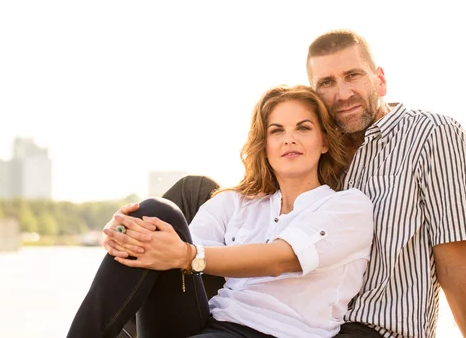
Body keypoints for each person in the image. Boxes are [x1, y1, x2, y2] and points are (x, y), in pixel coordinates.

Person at [66, 85, 374, 338]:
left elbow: (281, 259)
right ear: (264, 145)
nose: (289, 139)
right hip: (212, 323)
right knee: (154, 214)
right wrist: (123, 230)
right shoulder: (239, 203)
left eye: (303, 128)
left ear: (323, 142)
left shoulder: (346, 205)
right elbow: (170, 248)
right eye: (276, 131)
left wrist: (187, 255)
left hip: (279, 333)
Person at [305, 30, 466, 338]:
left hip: (379, 330)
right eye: (326, 83)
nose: (342, 94)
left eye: (352, 75)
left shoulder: (433, 134)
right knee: (196, 191)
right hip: (305, 327)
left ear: (379, 79)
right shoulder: (316, 153)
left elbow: (455, 267)